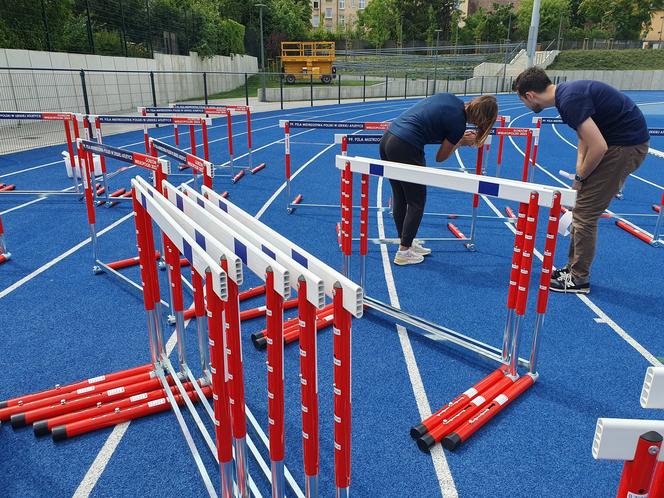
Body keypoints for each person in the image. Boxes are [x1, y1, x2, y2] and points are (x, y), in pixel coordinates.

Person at [512, 67, 649, 294]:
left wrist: (580, 177)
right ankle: (573, 269)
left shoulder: (569, 101)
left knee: (585, 213)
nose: (526, 106)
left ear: (530, 95)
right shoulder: (567, 96)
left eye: (523, 101)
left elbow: (598, 146)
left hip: (624, 146)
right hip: (620, 143)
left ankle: (579, 278)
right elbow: (584, 139)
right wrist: (579, 173)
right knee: (581, 206)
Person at [379, 94, 498, 265]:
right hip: (406, 146)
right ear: (483, 119)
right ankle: (404, 252)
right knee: (416, 201)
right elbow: (441, 157)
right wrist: (460, 142)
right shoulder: (458, 124)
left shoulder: (452, 99)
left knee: (400, 196)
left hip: (388, 139)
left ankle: (406, 243)